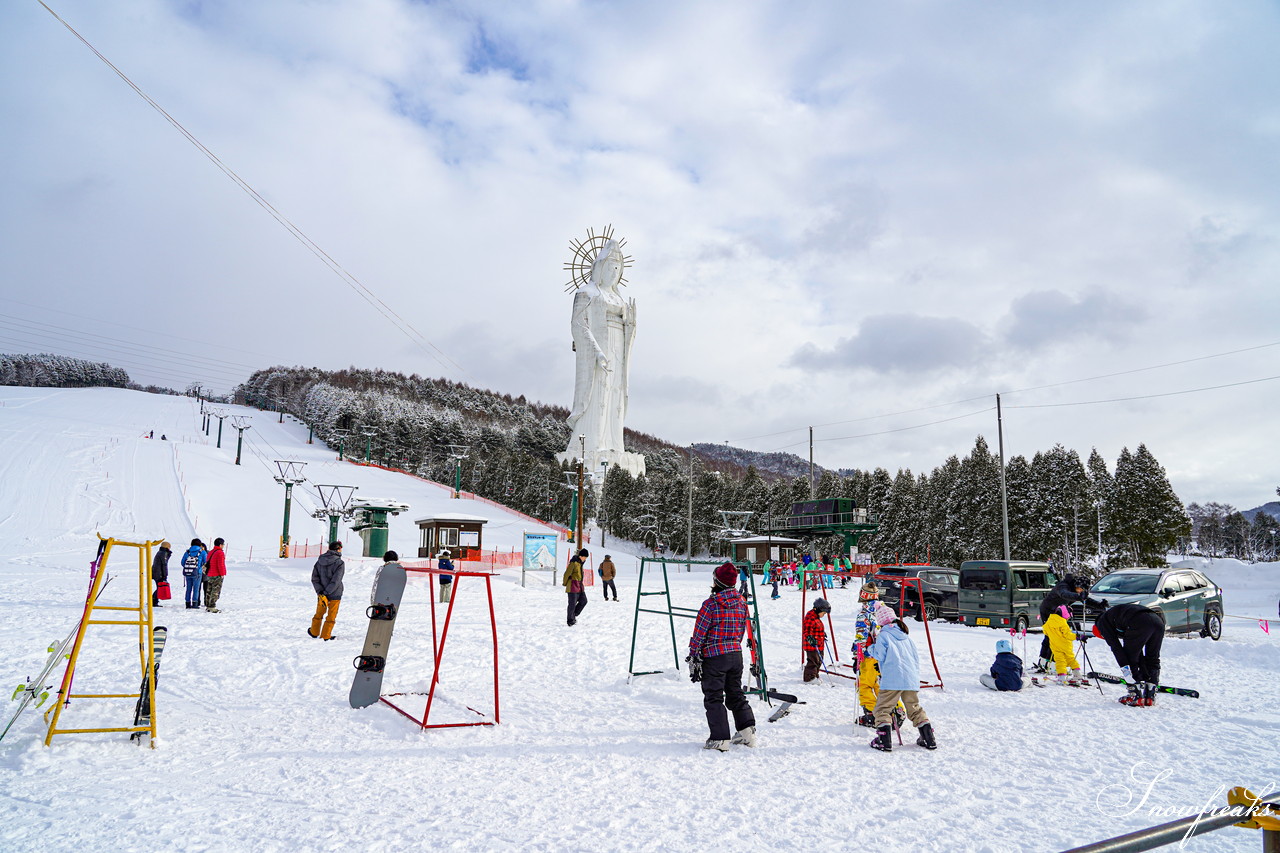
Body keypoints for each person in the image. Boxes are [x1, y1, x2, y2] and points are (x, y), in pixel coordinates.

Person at [564, 238, 637, 463]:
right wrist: (595, 351)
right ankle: (591, 443)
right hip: (598, 351)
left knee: (615, 395)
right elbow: (578, 325)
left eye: (618, 267)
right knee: (598, 394)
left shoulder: (620, 299)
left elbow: (629, 328)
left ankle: (613, 444)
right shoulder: (587, 294)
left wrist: (631, 323)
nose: (615, 271)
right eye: (611, 266)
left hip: (618, 348)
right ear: (600, 268)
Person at [687, 562, 757, 751]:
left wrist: (694, 655)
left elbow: (700, 632)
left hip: (715, 656)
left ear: (716, 581)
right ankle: (747, 732)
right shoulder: (742, 602)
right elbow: (742, 629)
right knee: (735, 693)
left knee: (714, 696)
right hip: (735, 654)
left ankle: (719, 738)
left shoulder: (711, 604)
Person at [865, 604, 937, 752]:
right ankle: (928, 738)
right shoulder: (906, 637)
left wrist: (870, 648)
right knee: (914, 708)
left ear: (881, 622)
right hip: (910, 678)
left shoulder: (883, 636)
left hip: (892, 679)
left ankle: (884, 740)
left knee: (883, 709)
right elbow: (916, 658)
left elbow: (879, 655)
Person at [1093, 603, 1166, 706]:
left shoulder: (1102, 624)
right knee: (1152, 657)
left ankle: (1134, 695)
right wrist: (1144, 674)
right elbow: (1137, 651)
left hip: (1138, 621)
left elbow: (1117, 649)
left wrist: (1126, 668)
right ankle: (1150, 695)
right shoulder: (1114, 617)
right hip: (1158, 621)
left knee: (1130, 658)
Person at [1034, 575, 1106, 672]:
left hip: (1059, 613)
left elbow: (1084, 599)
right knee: (1053, 637)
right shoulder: (1063, 586)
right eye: (1079, 588)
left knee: (1054, 637)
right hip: (1048, 611)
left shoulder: (1076, 592)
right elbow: (1065, 594)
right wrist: (1078, 596)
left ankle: (1046, 662)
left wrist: (1099, 605)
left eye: (1082, 590)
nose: (1080, 591)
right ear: (1076, 585)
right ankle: (1048, 663)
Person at [309, 541, 344, 640]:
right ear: (338, 549)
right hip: (335, 593)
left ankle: (314, 632)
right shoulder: (339, 563)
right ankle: (326, 635)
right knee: (331, 616)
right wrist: (327, 592)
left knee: (319, 613)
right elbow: (336, 580)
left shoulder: (319, 561)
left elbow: (314, 578)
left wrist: (320, 592)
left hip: (322, 594)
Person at [1044, 604, 1087, 685]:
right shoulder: (1062, 623)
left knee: (1060, 661)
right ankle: (1077, 674)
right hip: (1066, 645)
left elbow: (1045, 632)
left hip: (1055, 646)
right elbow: (1068, 635)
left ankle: (1062, 677)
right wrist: (1078, 637)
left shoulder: (1048, 622)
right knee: (1071, 659)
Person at [802, 598, 830, 682]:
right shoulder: (810, 618)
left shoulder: (816, 617)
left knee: (819, 661)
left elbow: (817, 628)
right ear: (817, 609)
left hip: (819, 644)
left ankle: (815, 675)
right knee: (813, 662)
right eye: (823, 613)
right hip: (812, 645)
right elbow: (806, 630)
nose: (824, 615)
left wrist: (822, 633)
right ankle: (809, 678)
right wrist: (810, 638)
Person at [563, 548, 589, 626]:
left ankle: (574, 614)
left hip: (580, 587)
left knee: (584, 601)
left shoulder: (580, 564)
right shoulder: (574, 563)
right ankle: (570, 621)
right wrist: (565, 583)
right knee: (572, 604)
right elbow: (567, 574)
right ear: (581, 556)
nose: (585, 559)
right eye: (585, 557)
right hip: (572, 586)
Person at [179, 538, 205, 609]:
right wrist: (199, 567)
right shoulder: (202, 552)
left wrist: (188, 567)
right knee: (196, 588)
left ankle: (187, 603)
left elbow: (182, 562)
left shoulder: (187, 552)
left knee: (188, 588)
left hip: (188, 572)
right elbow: (206, 561)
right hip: (197, 573)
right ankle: (195, 603)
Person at [203, 537, 227, 612]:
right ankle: (212, 606)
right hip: (217, 574)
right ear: (220, 545)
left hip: (210, 573)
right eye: (223, 544)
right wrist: (222, 574)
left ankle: (208, 605)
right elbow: (221, 564)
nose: (223, 546)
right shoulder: (220, 552)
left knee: (209, 590)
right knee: (215, 591)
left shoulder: (211, 552)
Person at [151, 540, 171, 607]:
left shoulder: (160, 552)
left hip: (156, 572)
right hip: (159, 574)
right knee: (160, 587)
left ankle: (153, 600)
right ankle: (153, 601)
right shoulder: (163, 553)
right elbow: (164, 565)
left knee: (159, 587)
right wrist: (165, 575)